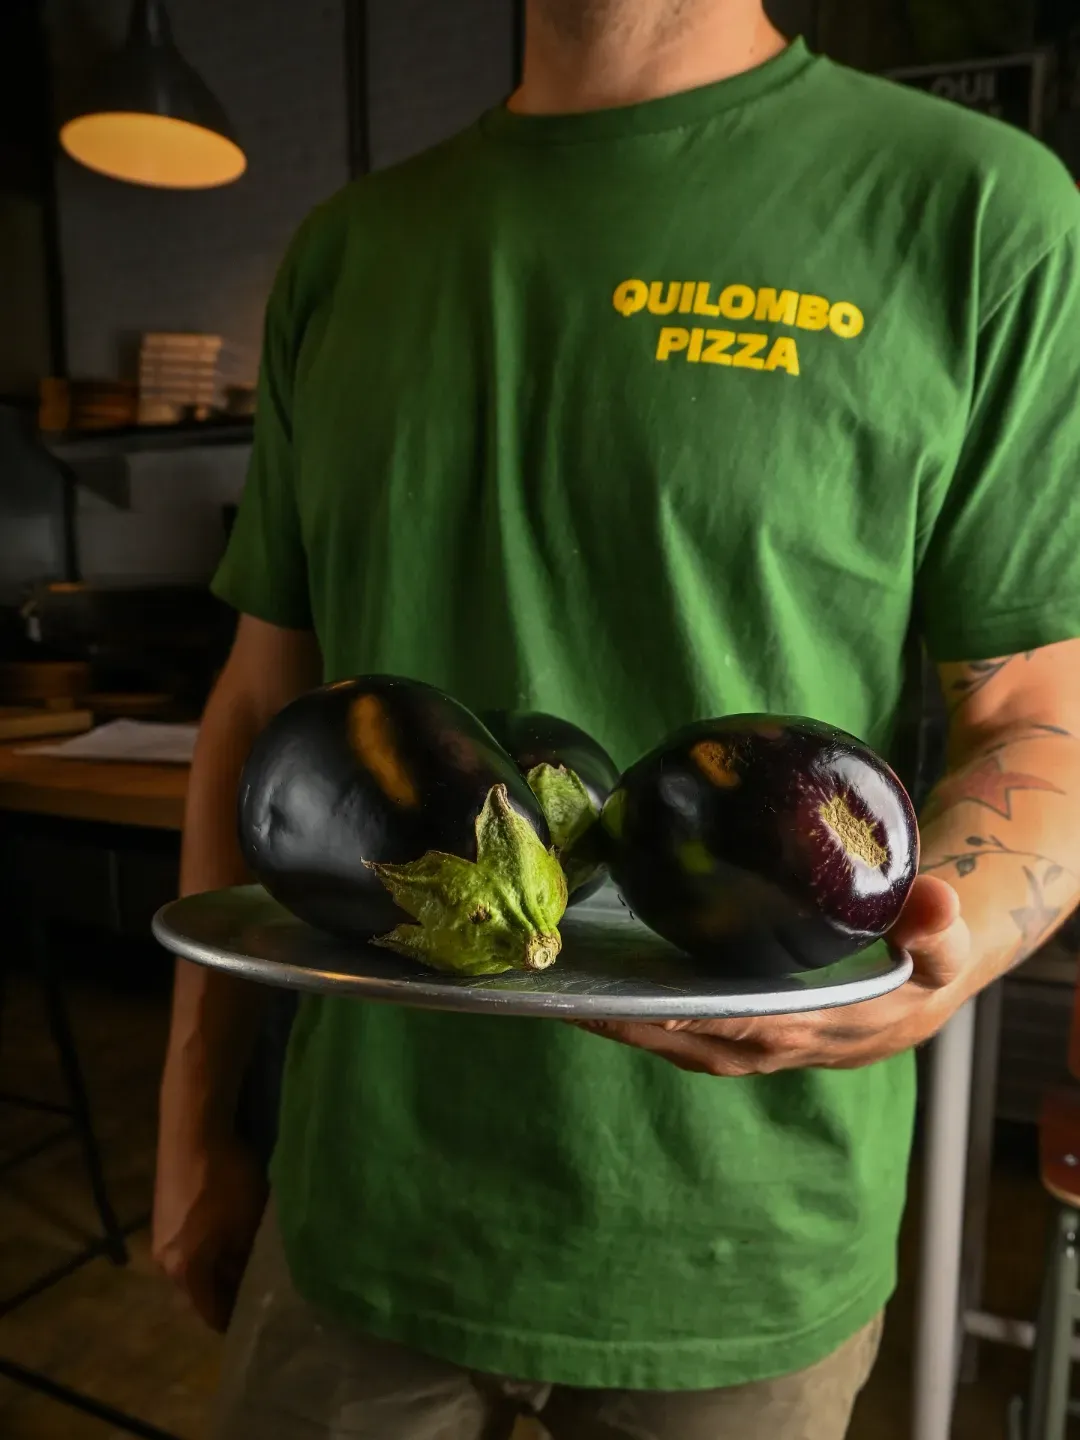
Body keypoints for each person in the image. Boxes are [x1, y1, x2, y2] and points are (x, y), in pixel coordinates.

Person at [152, 2, 1080, 1436]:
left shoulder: (975, 209)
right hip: (358, 1209)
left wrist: (948, 942)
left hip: (740, 1241)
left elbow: (1034, 708)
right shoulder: (349, 251)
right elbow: (260, 706)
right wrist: (192, 1132)